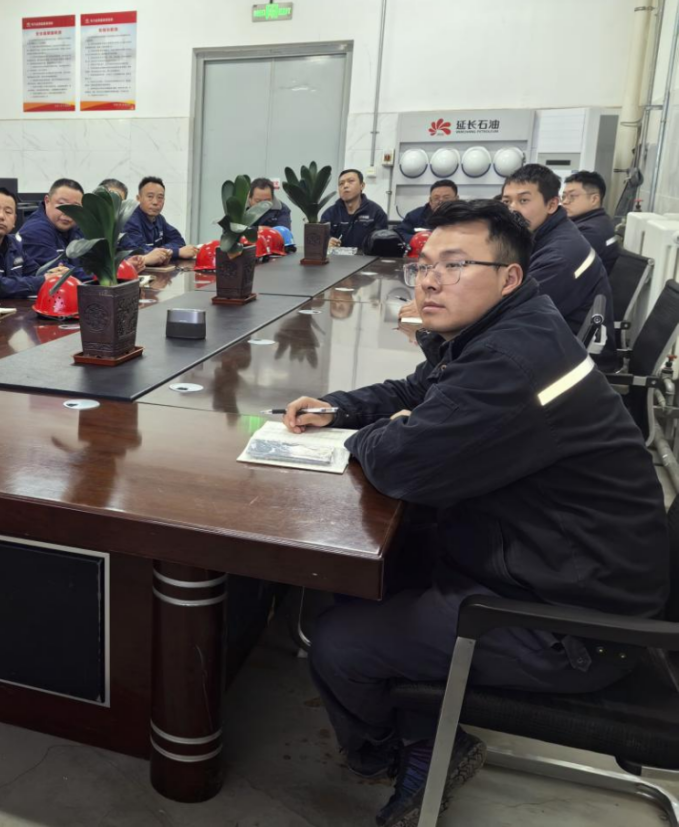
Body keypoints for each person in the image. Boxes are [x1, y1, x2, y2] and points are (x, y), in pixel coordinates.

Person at [285, 198, 666, 827]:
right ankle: (422, 730)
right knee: (369, 574)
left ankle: (394, 755)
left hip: (571, 624)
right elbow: (418, 393)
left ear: (509, 277)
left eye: (456, 265)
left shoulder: (512, 360)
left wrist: (377, 434)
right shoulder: (508, 328)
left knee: (340, 643)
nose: (431, 281)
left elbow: (404, 465)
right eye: (425, 265)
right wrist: (341, 408)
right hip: (546, 563)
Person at [501, 163, 614, 340]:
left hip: (567, 350)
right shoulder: (545, 234)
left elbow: (511, 314)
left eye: (523, 200)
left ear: (552, 205)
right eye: (507, 201)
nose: (512, 209)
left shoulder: (560, 258)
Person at [0, 187, 67, 299]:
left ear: (14, 220)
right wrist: (43, 280)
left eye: (8, 212)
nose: (1, 216)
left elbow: (34, 272)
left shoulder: (14, 243)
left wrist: (53, 274)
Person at [18, 178, 91, 280]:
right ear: (47, 201)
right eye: (62, 204)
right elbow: (59, 273)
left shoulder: (78, 228)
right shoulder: (35, 231)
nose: (68, 212)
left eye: (75, 207)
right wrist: (100, 275)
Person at [119, 177, 194, 263]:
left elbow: (178, 241)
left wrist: (161, 251)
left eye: (160, 197)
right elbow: (137, 252)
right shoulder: (130, 219)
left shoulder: (159, 219)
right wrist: (176, 252)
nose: (155, 202)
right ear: (138, 198)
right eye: (150, 196)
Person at [562, 170, 619, 274]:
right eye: (563, 196)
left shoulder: (590, 232)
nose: (565, 202)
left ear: (594, 199)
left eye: (572, 196)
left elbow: (559, 267)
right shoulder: (599, 221)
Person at [320, 168, 388, 249]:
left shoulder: (376, 212)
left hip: (366, 256)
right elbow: (320, 238)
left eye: (351, 181)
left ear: (362, 186)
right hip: (337, 256)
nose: (345, 186)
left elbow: (382, 243)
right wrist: (327, 241)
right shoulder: (330, 213)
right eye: (341, 183)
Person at [396, 179, 458, 244]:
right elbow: (400, 233)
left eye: (446, 198)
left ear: (456, 199)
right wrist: (419, 239)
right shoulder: (416, 215)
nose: (441, 202)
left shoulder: (463, 216)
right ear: (430, 201)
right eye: (436, 198)